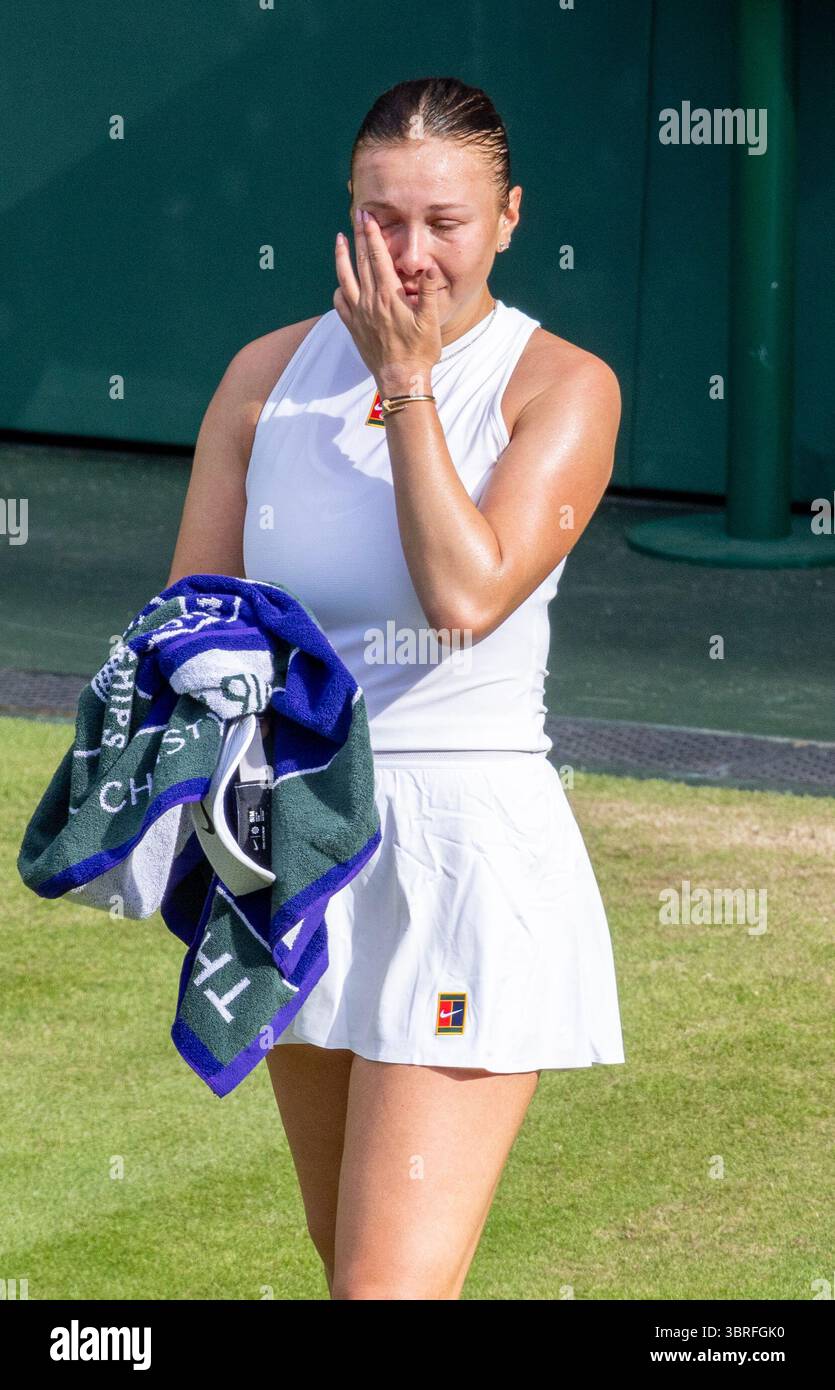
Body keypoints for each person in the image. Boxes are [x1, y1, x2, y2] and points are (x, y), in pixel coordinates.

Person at [166, 76, 625, 1301]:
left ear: (509, 218)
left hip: (462, 860)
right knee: (349, 1270)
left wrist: (410, 385)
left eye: (445, 222)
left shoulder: (562, 388)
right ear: (347, 214)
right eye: (382, 219)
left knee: (387, 1288)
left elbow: (465, 599)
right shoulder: (263, 378)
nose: (409, 254)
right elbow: (196, 624)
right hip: (295, 850)